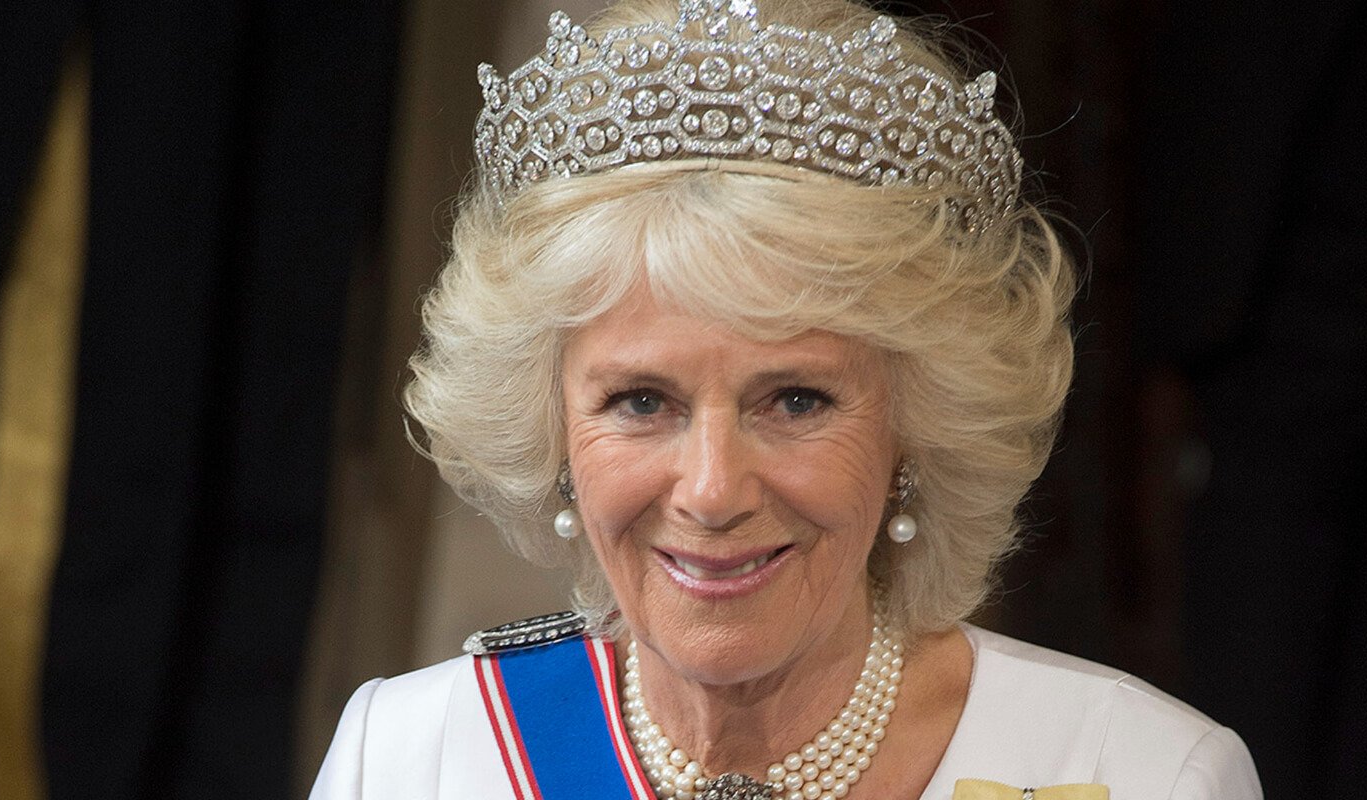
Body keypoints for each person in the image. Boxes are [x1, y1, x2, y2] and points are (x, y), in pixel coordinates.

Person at [310, 0, 1263, 797]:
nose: (713, 490)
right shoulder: (406, 760)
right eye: (642, 401)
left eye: (796, 401)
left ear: (914, 427)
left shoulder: (1142, 773)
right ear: (552, 428)